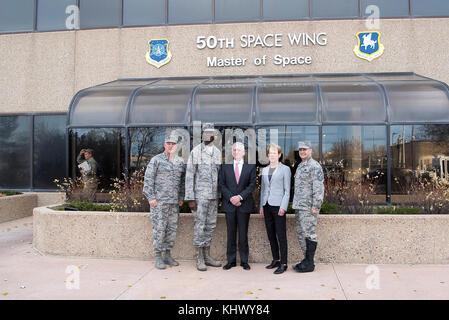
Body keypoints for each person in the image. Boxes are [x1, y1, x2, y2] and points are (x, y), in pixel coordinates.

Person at [143, 131, 185, 270]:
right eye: (168, 143)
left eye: (173, 144)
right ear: (164, 144)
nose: (171, 146)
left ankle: (167, 254)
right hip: (159, 203)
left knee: (171, 230)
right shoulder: (156, 160)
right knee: (159, 230)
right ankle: (158, 256)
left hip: (173, 203)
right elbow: (148, 180)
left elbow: (182, 182)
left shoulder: (179, 162)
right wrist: (151, 198)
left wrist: (180, 197)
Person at [185, 127, 222, 271]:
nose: (208, 136)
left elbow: (219, 176)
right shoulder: (196, 152)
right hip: (200, 197)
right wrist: (190, 198)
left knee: (210, 225)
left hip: (213, 197)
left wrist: (219, 196)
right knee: (200, 226)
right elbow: (189, 175)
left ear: (214, 136)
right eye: (205, 133)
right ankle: (199, 257)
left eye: (210, 134)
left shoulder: (217, 153)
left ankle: (207, 255)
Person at [219, 142, 257, 271]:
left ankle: (244, 261)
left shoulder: (250, 167)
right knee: (230, 234)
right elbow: (222, 185)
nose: (236, 152)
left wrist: (240, 197)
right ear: (232, 152)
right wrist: (231, 198)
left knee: (243, 234)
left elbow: (251, 185)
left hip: (244, 205)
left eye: (239, 150)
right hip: (229, 205)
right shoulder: (225, 167)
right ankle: (231, 261)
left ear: (244, 152)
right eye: (234, 150)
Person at [292, 141, 324, 273]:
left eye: (305, 149)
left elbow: (319, 187)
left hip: (309, 207)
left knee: (310, 233)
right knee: (300, 233)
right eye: (300, 150)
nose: (302, 152)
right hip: (299, 206)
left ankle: (310, 263)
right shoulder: (300, 166)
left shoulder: (314, 166)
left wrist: (316, 206)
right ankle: (306, 259)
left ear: (310, 150)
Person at [259, 143, 291, 274]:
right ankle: (276, 259)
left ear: (279, 155)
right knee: (271, 234)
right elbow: (263, 190)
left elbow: (287, 190)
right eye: (270, 153)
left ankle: (283, 263)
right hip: (267, 205)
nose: (272, 155)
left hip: (278, 206)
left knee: (281, 235)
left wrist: (283, 207)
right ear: (268, 155)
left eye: (274, 153)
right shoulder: (265, 170)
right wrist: (261, 205)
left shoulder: (285, 169)